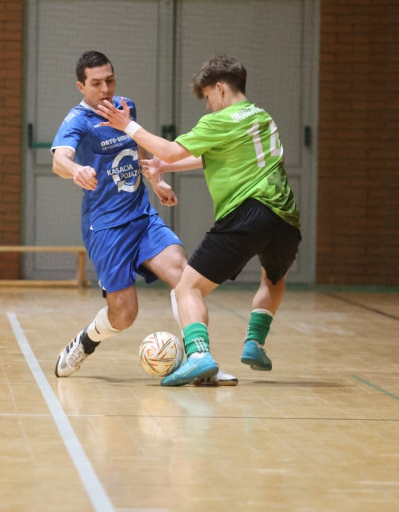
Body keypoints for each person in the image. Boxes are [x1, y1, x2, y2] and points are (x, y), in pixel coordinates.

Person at [97, 54, 302, 386]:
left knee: (187, 288)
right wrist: (164, 168)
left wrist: (128, 126)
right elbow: (211, 155)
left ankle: (197, 355)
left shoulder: (219, 121)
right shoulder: (261, 117)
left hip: (247, 213)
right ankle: (255, 342)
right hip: (286, 219)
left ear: (219, 88)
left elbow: (169, 149)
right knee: (273, 279)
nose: (208, 105)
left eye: (207, 96)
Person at [51, 50, 239, 384]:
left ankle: (200, 359)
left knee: (185, 277)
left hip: (142, 217)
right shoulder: (77, 121)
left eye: (110, 80)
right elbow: (59, 160)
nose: (105, 89)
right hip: (106, 228)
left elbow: (136, 146)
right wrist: (76, 169)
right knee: (124, 315)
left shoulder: (126, 107)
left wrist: (156, 180)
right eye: (96, 83)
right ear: (81, 86)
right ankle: (86, 341)